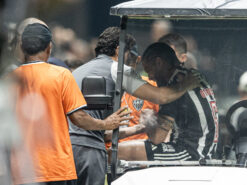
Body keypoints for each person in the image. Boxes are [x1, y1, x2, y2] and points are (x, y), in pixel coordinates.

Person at [69, 27, 203, 185]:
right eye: (130, 56)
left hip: (66, 148)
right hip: (89, 150)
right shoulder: (117, 69)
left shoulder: (76, 72)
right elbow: (162, 96)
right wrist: (185, 84)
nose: (132, 63)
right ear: (119, 51)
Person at [11, 23, 131, 185]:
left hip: (21, 170)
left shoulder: (9, 79)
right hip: (56, 168)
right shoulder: (61, 75)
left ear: (22, 47)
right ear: (49, 47)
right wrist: (105, 123)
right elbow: (79, 117)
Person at [116, 42, 219, 161]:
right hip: (207, 151)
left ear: (159, 63)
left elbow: (157, 138)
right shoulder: (196, 75)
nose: (149, 77)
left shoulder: (174, 87)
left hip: (190, 152)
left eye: (149, 70)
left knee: (117, 152)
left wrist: (148, 120)